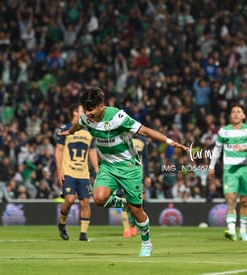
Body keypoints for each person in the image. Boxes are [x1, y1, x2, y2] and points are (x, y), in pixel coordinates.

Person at [59, 87, 188, 257]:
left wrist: (170, 141)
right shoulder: (86, 118)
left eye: (91, 110)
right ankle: (124, 204)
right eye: (85, 110)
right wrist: (69, 131)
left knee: (137, 210)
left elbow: (145, 131)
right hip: (107, 166)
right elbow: (78, 124)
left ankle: (146, 243)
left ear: (101, 107)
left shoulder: (117, 117)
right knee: (98, 198)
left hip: (129, 167)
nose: (87, 114)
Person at [208, 103, 247, 241]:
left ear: (243, 115)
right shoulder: (224, 131)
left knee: (245, 200)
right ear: (230, 116)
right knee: (230, 199)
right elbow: (217, 150)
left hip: (245, 168)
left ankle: (243, 231)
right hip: (230, 169)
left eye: (238, 111)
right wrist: (211, 166)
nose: (235, 114)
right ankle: (231, 231)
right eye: (233, 112)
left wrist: (242, 148)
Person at [56, 103, 99, 242]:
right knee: (69, 199)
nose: (85, 112)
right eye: (82, 110)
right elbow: (59, 150)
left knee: (85, 202)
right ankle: (62, 223)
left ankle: (83, 234)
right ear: (75, 113)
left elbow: (92, 151)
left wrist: (97, 169)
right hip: (68, 171)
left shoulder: (89, 131)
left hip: (83, 174)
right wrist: (59, 170)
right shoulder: (65, 129)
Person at [119, 135, 151, 238]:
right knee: (124, 201)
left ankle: (133, 224)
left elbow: (145, 159)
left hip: (138, 175)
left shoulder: (143, 141)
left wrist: (147, 176)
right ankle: (126, 229)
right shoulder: (122, 139)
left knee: (139, 202)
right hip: (124, 174)